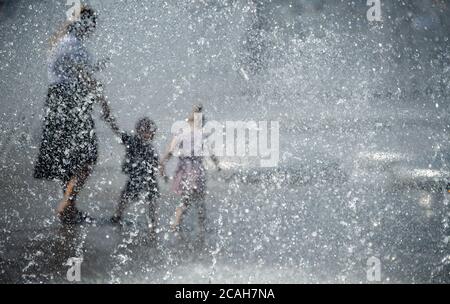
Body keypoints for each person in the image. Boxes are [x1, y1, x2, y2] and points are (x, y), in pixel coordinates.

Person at [34, 5, 119, 224]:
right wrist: (106, 107)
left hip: (56, 101)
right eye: (92, 25)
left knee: (68, 157)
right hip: (72, 101)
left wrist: (96, 67)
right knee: (88, 157)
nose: (94, 30)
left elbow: (72, 71)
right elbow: (87, 80)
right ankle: (66, 205)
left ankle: (70, 208)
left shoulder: (59, 42)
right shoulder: (75, 47)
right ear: (83, 23)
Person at [160, 104, 220, 242]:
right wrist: (217, 165)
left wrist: (162, 163)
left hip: (184, 170)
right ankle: (201, 228)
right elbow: (210, 152)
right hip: (197, 171)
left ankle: (176, 223)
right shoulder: (201, 134)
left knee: (185, 200)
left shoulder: (182, 132)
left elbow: (170, 150)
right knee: (199, 201)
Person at [110, 118, 160, 237]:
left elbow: (155, 162)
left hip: (149, 178)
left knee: (152, 201)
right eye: (146, 131)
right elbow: (118, 132)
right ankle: (118, 216)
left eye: (151, 132)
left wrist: (160, 170)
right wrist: (109, 120)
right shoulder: (132, 141)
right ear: (139, 131)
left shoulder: (149, 147)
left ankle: (153, 225)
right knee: (125, 196)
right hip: (136, 177)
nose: (149, 135)